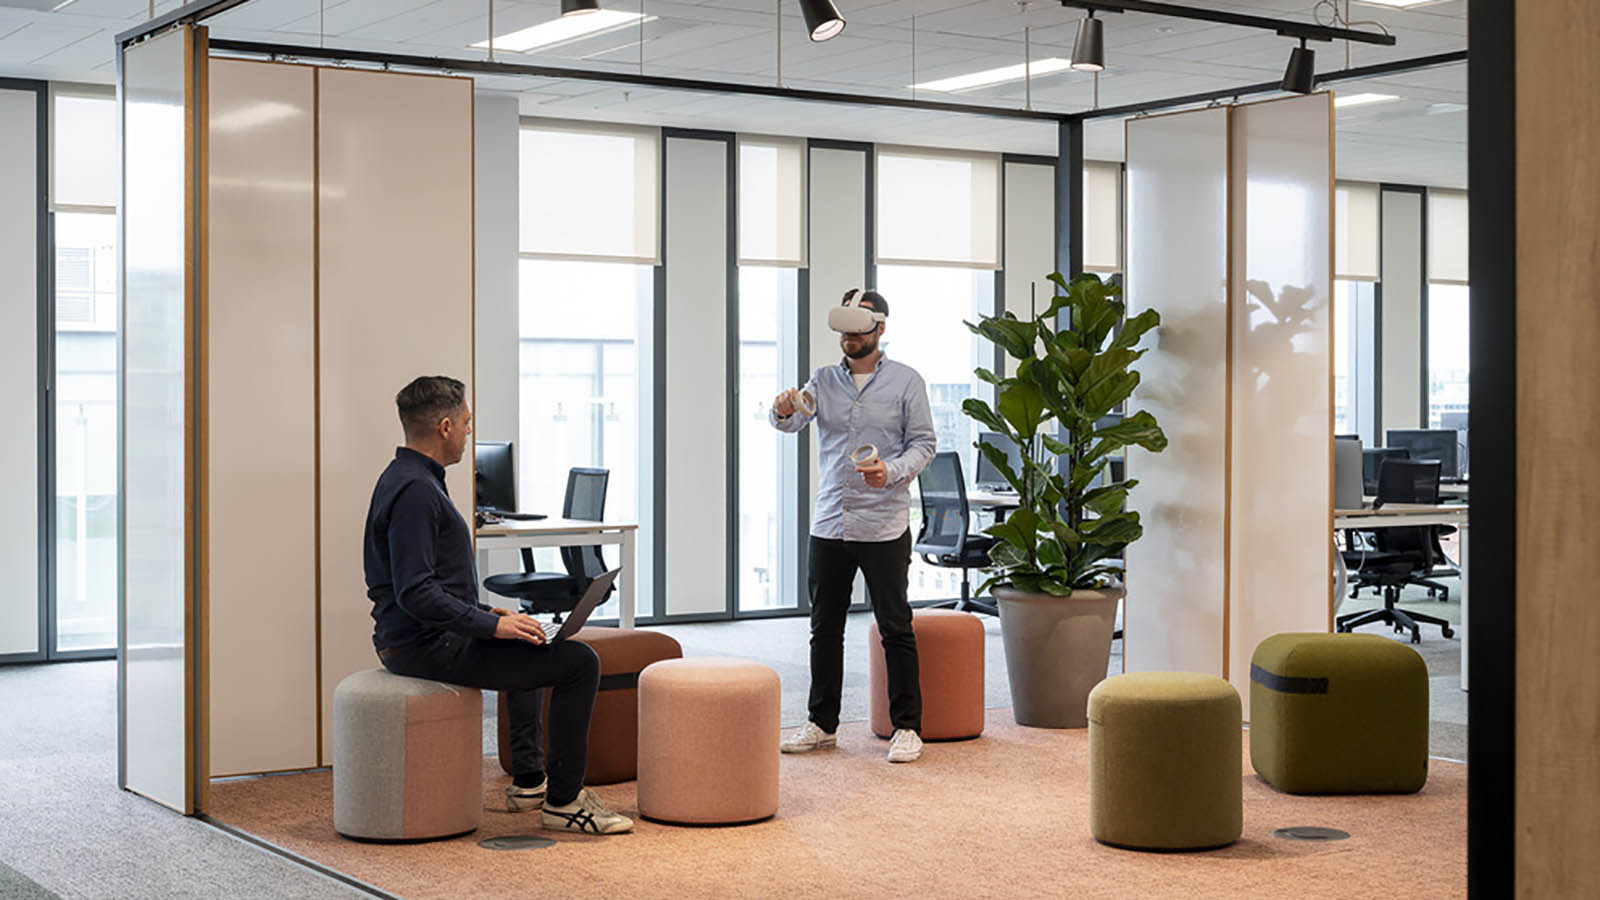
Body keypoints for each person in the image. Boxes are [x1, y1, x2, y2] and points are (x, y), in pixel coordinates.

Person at [363, 375, 632, 834]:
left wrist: (492, 615)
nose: (470, 432)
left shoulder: (409, 478)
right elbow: (415, 592)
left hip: (427, 637)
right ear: (445, 426)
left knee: (528, 634)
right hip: (424, 647)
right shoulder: (416, 493)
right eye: (466, 423)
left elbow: (428, 587)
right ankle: (564, 802)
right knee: (578, 663)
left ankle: (530, 780)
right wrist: (489, 628)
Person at [770, 289, 937, 763]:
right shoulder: (823, 381)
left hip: (883, 523)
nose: (847, 337)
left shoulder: (906, 382)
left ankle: (908, 726)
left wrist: (894, 471)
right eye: (842, 329)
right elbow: (789, 423)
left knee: (895, 626)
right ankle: (822, 723)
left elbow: (924, 443)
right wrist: (783, 409)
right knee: (824, 628)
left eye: (857, 328)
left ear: (880, 329)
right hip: (830, 521)